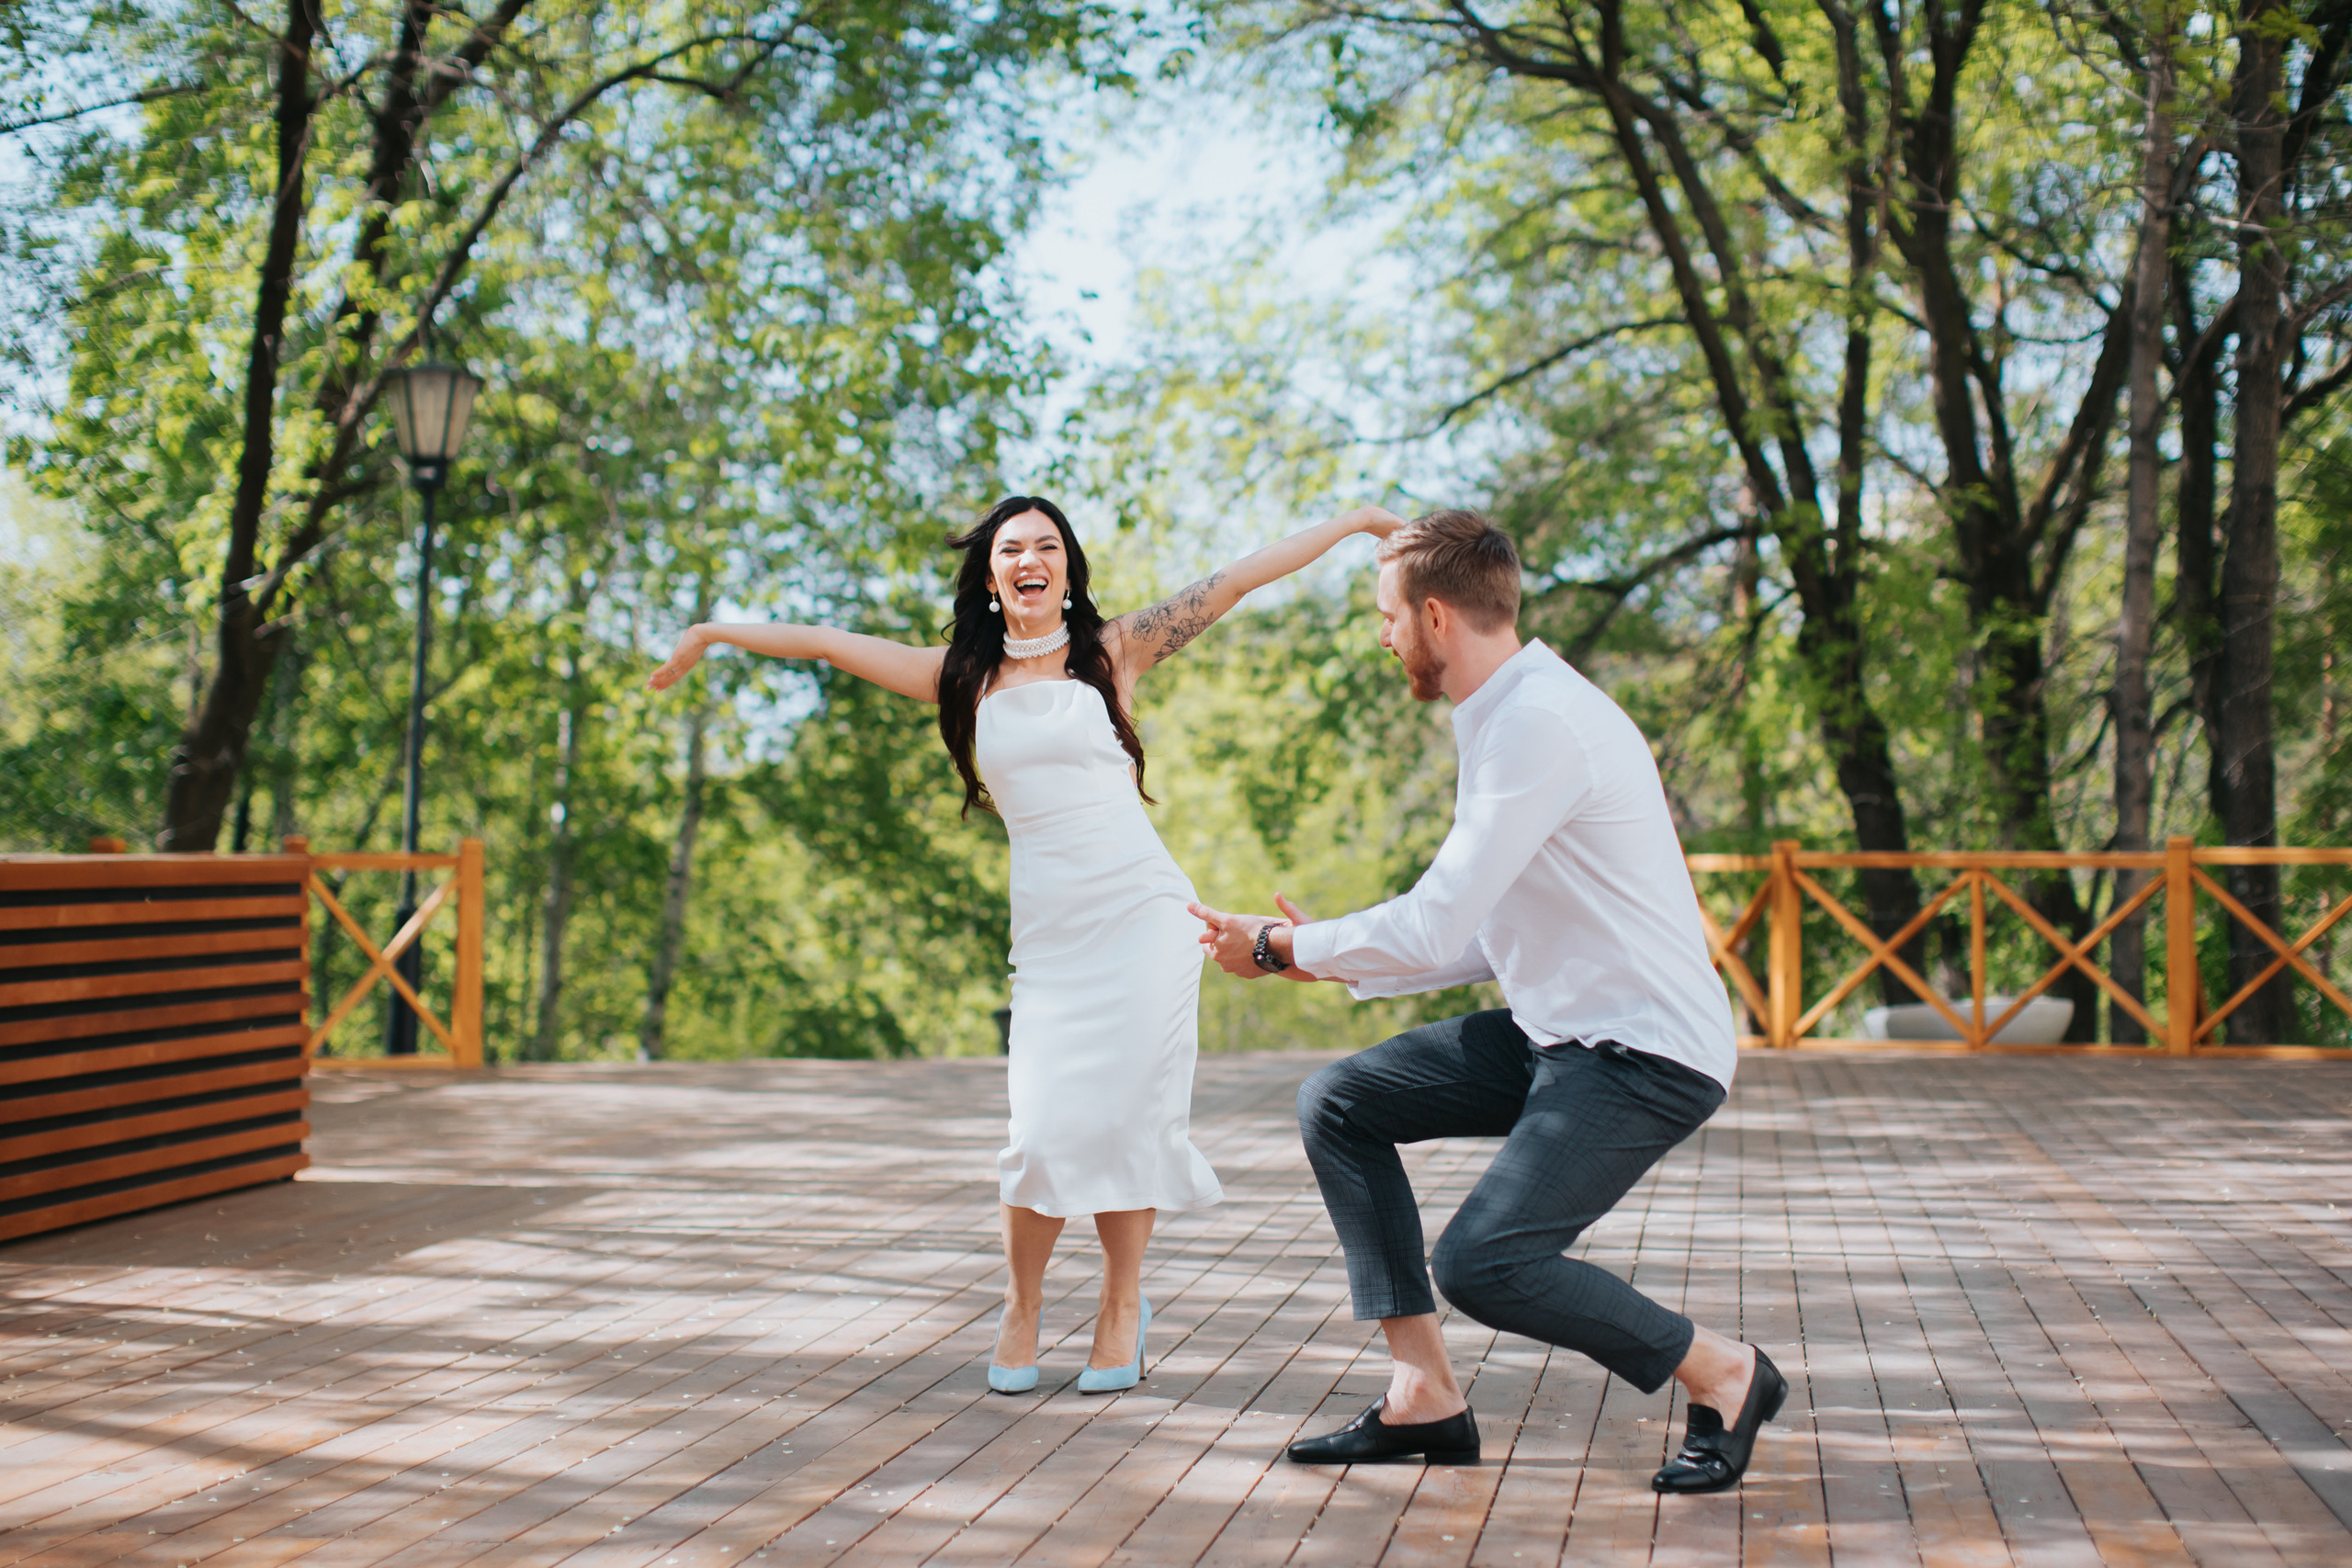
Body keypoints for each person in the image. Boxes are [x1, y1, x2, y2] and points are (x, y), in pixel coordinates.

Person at [649, 494, 1401, 1394]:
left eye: (1048, 545)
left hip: (1144, 920)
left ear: (1068, 573)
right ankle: (1022, 1305)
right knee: (1039, 1131)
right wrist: (710, 632)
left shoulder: (1114, 651)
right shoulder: (960, 674)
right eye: (1013, 548)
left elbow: (1235, 580)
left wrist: (1356, 522)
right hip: (1051, 941)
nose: (1030, 557)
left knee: (1132, 1118)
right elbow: (819, 640)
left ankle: (1122, 1307)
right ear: (993, 574)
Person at [1191, 509, 1781, 1494]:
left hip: (1643, 1053)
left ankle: (1726, 1374)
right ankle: (1423, 1396)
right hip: (1560, 1032)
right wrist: (1316, 962)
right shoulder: (1511, 715)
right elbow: (1475, 934)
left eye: (1385, 616)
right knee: (1339, 1103)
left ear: (1432, 615)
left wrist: (1277, 941)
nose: (1381, 637)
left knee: (1486, 1263)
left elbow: (1432, 923)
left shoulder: (1536, 726)